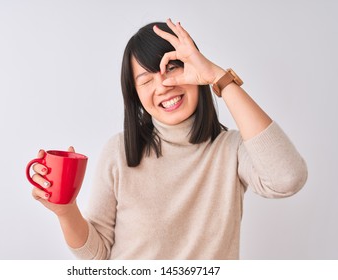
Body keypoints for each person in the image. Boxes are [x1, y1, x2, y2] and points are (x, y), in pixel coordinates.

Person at [30, 19, 308, 259]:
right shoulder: (118, 151)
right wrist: (66, 212)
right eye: (146, 80)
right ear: (135, 96)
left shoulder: (230, 149)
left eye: (172, 68)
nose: (163, 85)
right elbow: (98, 253)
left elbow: (288, 178)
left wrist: (218, 77)